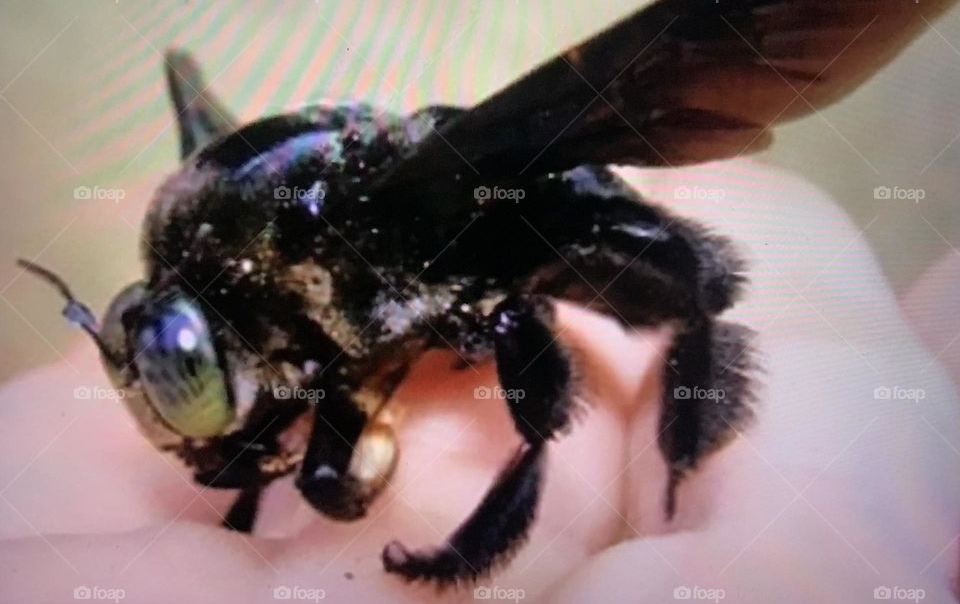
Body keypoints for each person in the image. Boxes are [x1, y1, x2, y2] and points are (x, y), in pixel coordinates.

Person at [2, 159, 958, 603]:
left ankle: (477, 554)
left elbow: (522, 318)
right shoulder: (240, 282)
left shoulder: (314, 264)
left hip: (545, 220)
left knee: (527, 331)